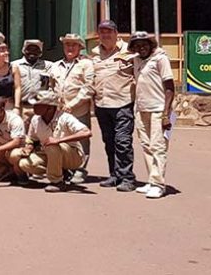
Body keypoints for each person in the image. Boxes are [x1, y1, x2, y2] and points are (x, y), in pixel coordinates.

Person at [126, 31, 174, 199]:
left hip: (158, 109)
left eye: (144, 44)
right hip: (141, 109)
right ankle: (151, 179)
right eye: (137, 45)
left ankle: (158, 184)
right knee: (146, 146)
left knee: (158, 146)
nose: (141, 48)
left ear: (150, 44)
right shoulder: (137, 60)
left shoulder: (160, 59)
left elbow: (170, 88)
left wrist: (166, 114)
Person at [90, 20, 136, 192]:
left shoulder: (129, 52)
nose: (105, 35)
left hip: (123, 104)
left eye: (109, 31)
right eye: (102, 32)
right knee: (109, 142)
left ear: (116, 34)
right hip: (102, 105)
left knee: (122, 142)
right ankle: (115, 175)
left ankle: (127, 178)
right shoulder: (94, 55)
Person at [17, 90, 92, 192]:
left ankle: (57, 182)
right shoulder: (35, 119)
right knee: (24, 163)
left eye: (38, 105)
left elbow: (86, 132)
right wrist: (29, 147)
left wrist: (59, 140)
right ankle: (61, 172)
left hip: (72, 156)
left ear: (50, 108)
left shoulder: (65, 117)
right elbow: (32, 139)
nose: (34, 107)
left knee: (52, 145)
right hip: (49, 154)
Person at [48, 34, 95, 183]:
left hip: (78, 109)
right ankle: (65, 169)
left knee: (81, 139)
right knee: (61, 138)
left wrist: (72, 104)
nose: (70, 47)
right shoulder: (55, 65)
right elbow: (51, 86)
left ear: (80, 47)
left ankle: (80, 169)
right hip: (59, 111)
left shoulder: (86, 64)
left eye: (74, 45)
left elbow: (88, 87)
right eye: (67, 44)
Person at [11, 39, 49, 123]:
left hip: (41, 108)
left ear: (40, 52)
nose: (32, 52)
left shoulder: (48, 66)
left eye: (35, 50)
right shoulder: (14, 65)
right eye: (29, 49)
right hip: (22, 107)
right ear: (24, 50)